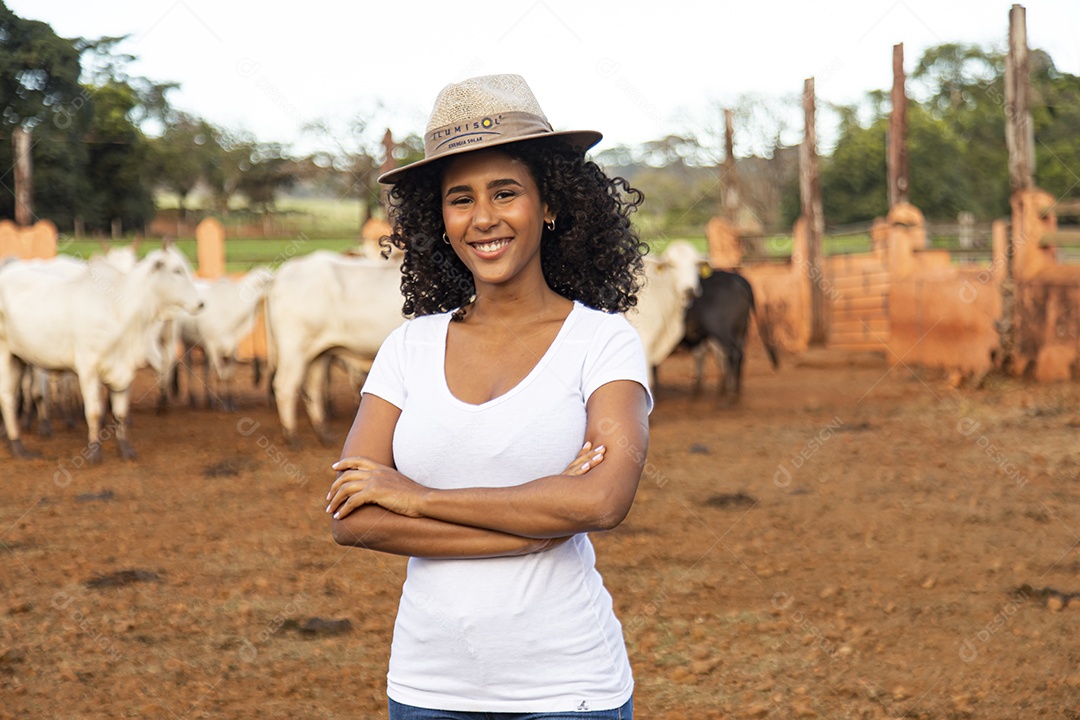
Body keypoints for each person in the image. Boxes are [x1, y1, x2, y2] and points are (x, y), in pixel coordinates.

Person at [326, 74, 652, 719]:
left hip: (568, 692)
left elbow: (602, 499)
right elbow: (353, 517)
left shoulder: (602, 342)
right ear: (437, 219)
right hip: (427, 690)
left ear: (550, 204)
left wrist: (417, 499)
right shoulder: (409, 349)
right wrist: (532, 528)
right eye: (459, 199)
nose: (483, 219)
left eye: (506, 192)